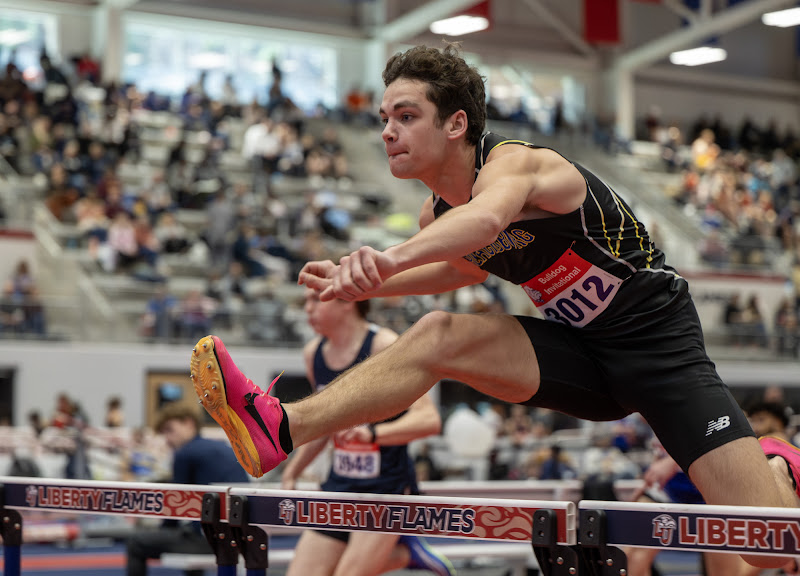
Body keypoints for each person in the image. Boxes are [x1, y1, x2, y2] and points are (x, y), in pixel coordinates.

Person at [191, 44, 800, 569]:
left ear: (456, 124)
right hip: (581, 354)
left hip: (660, 350)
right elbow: (459, 267)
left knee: (766, 548)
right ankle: (280, 427)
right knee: (438, 333)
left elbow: (485, 222)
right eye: (384, 118)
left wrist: (386, 259)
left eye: (406, 116)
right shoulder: (435, 214)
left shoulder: (519, 164)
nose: (387, 132)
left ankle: (778, 466)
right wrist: (364, 287)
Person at [279, 289, 454, 576]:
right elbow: (322, 425)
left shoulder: (383, 344)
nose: (307, 308)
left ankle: (404, 553)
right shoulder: (313, 354)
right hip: (340, 485)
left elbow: (429, 419)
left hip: (387, 487)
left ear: (348, 301)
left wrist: (374, 434)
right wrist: (292, 472)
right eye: (305, 301)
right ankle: (403, 553)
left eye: (315, 300)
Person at [126, 403, 249, 576]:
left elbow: (174, 509)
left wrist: (163, 531)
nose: (167, 439)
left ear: (189, 423)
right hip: (242, 539)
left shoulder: (185, 453)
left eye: (169, 430)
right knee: (193, 529)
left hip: (212, 541)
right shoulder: (223, 448)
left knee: (136, 542)